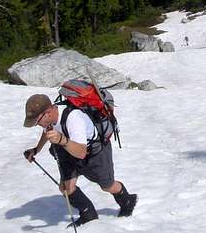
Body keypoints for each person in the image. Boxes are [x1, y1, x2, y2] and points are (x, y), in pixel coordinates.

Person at [23, 94, 137, 226]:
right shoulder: (48, 119)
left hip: (94, 153)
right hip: (68, 149)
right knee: (66, 188)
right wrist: (36, 149)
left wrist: (61, 140)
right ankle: (88, 213)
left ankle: (127, 199)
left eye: (37, 121)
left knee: (107, 186)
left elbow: (81, 152)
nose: (38, 125)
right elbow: (46, 131)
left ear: (47, 113)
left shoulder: (73, 118)